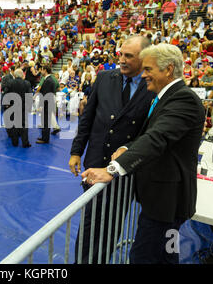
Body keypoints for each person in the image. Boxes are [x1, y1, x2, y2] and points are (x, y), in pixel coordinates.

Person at [83, 43, 205, 264]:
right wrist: (128, 148)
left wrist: (112, 170)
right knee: (167, 255)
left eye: (148, 69)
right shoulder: (167, 97)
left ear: (168, 69)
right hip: (166, 203)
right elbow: (153, 134)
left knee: (144, 257)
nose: (144, 74)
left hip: (166, 206)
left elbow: (156, 138)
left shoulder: (182, 99)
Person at [69, 36, 155, 264]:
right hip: (95, 161)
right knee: (89, 220)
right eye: (121, 54)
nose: (122, 60)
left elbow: (149, 131)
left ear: (144, 58)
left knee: (114, 221)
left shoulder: (152, 86)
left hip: (125, 169)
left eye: (129, 56)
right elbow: (87, 118)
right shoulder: (105, 77)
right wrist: (76, 151)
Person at [5, 69, 32, 148]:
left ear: (15, 75)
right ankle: (25, 143)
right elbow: (29, 96)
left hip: (12, 106)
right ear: (22, 75)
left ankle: (15, 142)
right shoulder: (27, 83)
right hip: (23, 107)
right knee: (24, 125)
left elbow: (6, 93)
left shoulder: (10, 82)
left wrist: (7, 104)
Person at [36, 65, 57, 144]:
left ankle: (45, 139)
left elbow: (46, 94)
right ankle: (44, 137)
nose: (41, 71)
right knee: (44, 121)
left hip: (47, 103)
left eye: (42, 70)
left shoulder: (48, 80)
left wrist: (41, 105)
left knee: (45, 121)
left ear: (45, 70)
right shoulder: (48, 79)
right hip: (47, 102)